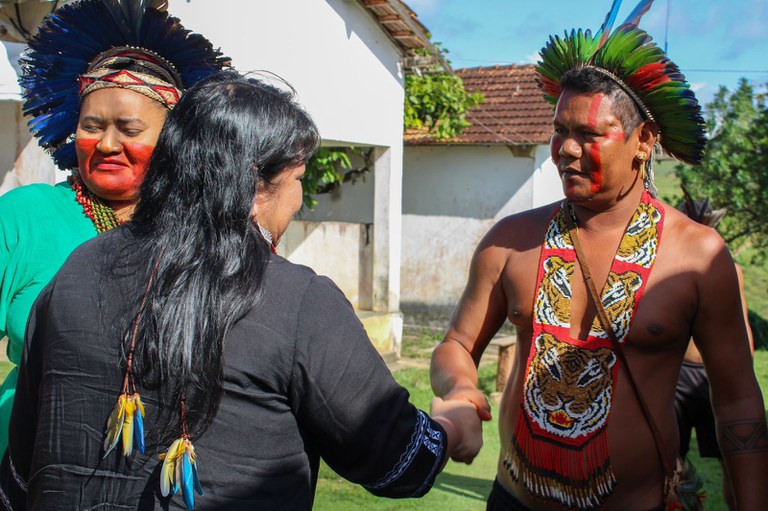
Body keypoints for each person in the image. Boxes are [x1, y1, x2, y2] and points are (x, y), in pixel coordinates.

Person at [0, 70, 483, 510]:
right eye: (297, 179)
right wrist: (450, 425)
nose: (298, 199)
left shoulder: (80, 266)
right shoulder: (298, 301)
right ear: (253, 188)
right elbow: (398, 461)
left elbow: (22, 469)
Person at [430, 3, 768, 510]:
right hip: (513, 500)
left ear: (644, 141)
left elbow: (738, 398)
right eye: (559, 130)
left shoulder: (698, 256)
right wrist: (459, 390)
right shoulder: (510, 241)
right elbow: (457, 343)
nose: (566, 149)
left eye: (588, 134)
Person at [0, 0, 228, 457]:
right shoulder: (24, 216)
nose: (106, 144)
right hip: (28, 462)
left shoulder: (202, 233)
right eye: (91, 126)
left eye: (129, 128)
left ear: (172, 143)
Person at [675, 188, 755, 510]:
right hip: (676, 378)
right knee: (671, 459)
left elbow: (742, 325)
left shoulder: (730, 270)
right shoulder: (669, 269)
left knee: (732, 460)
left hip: (714, 376)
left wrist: (742, 374)